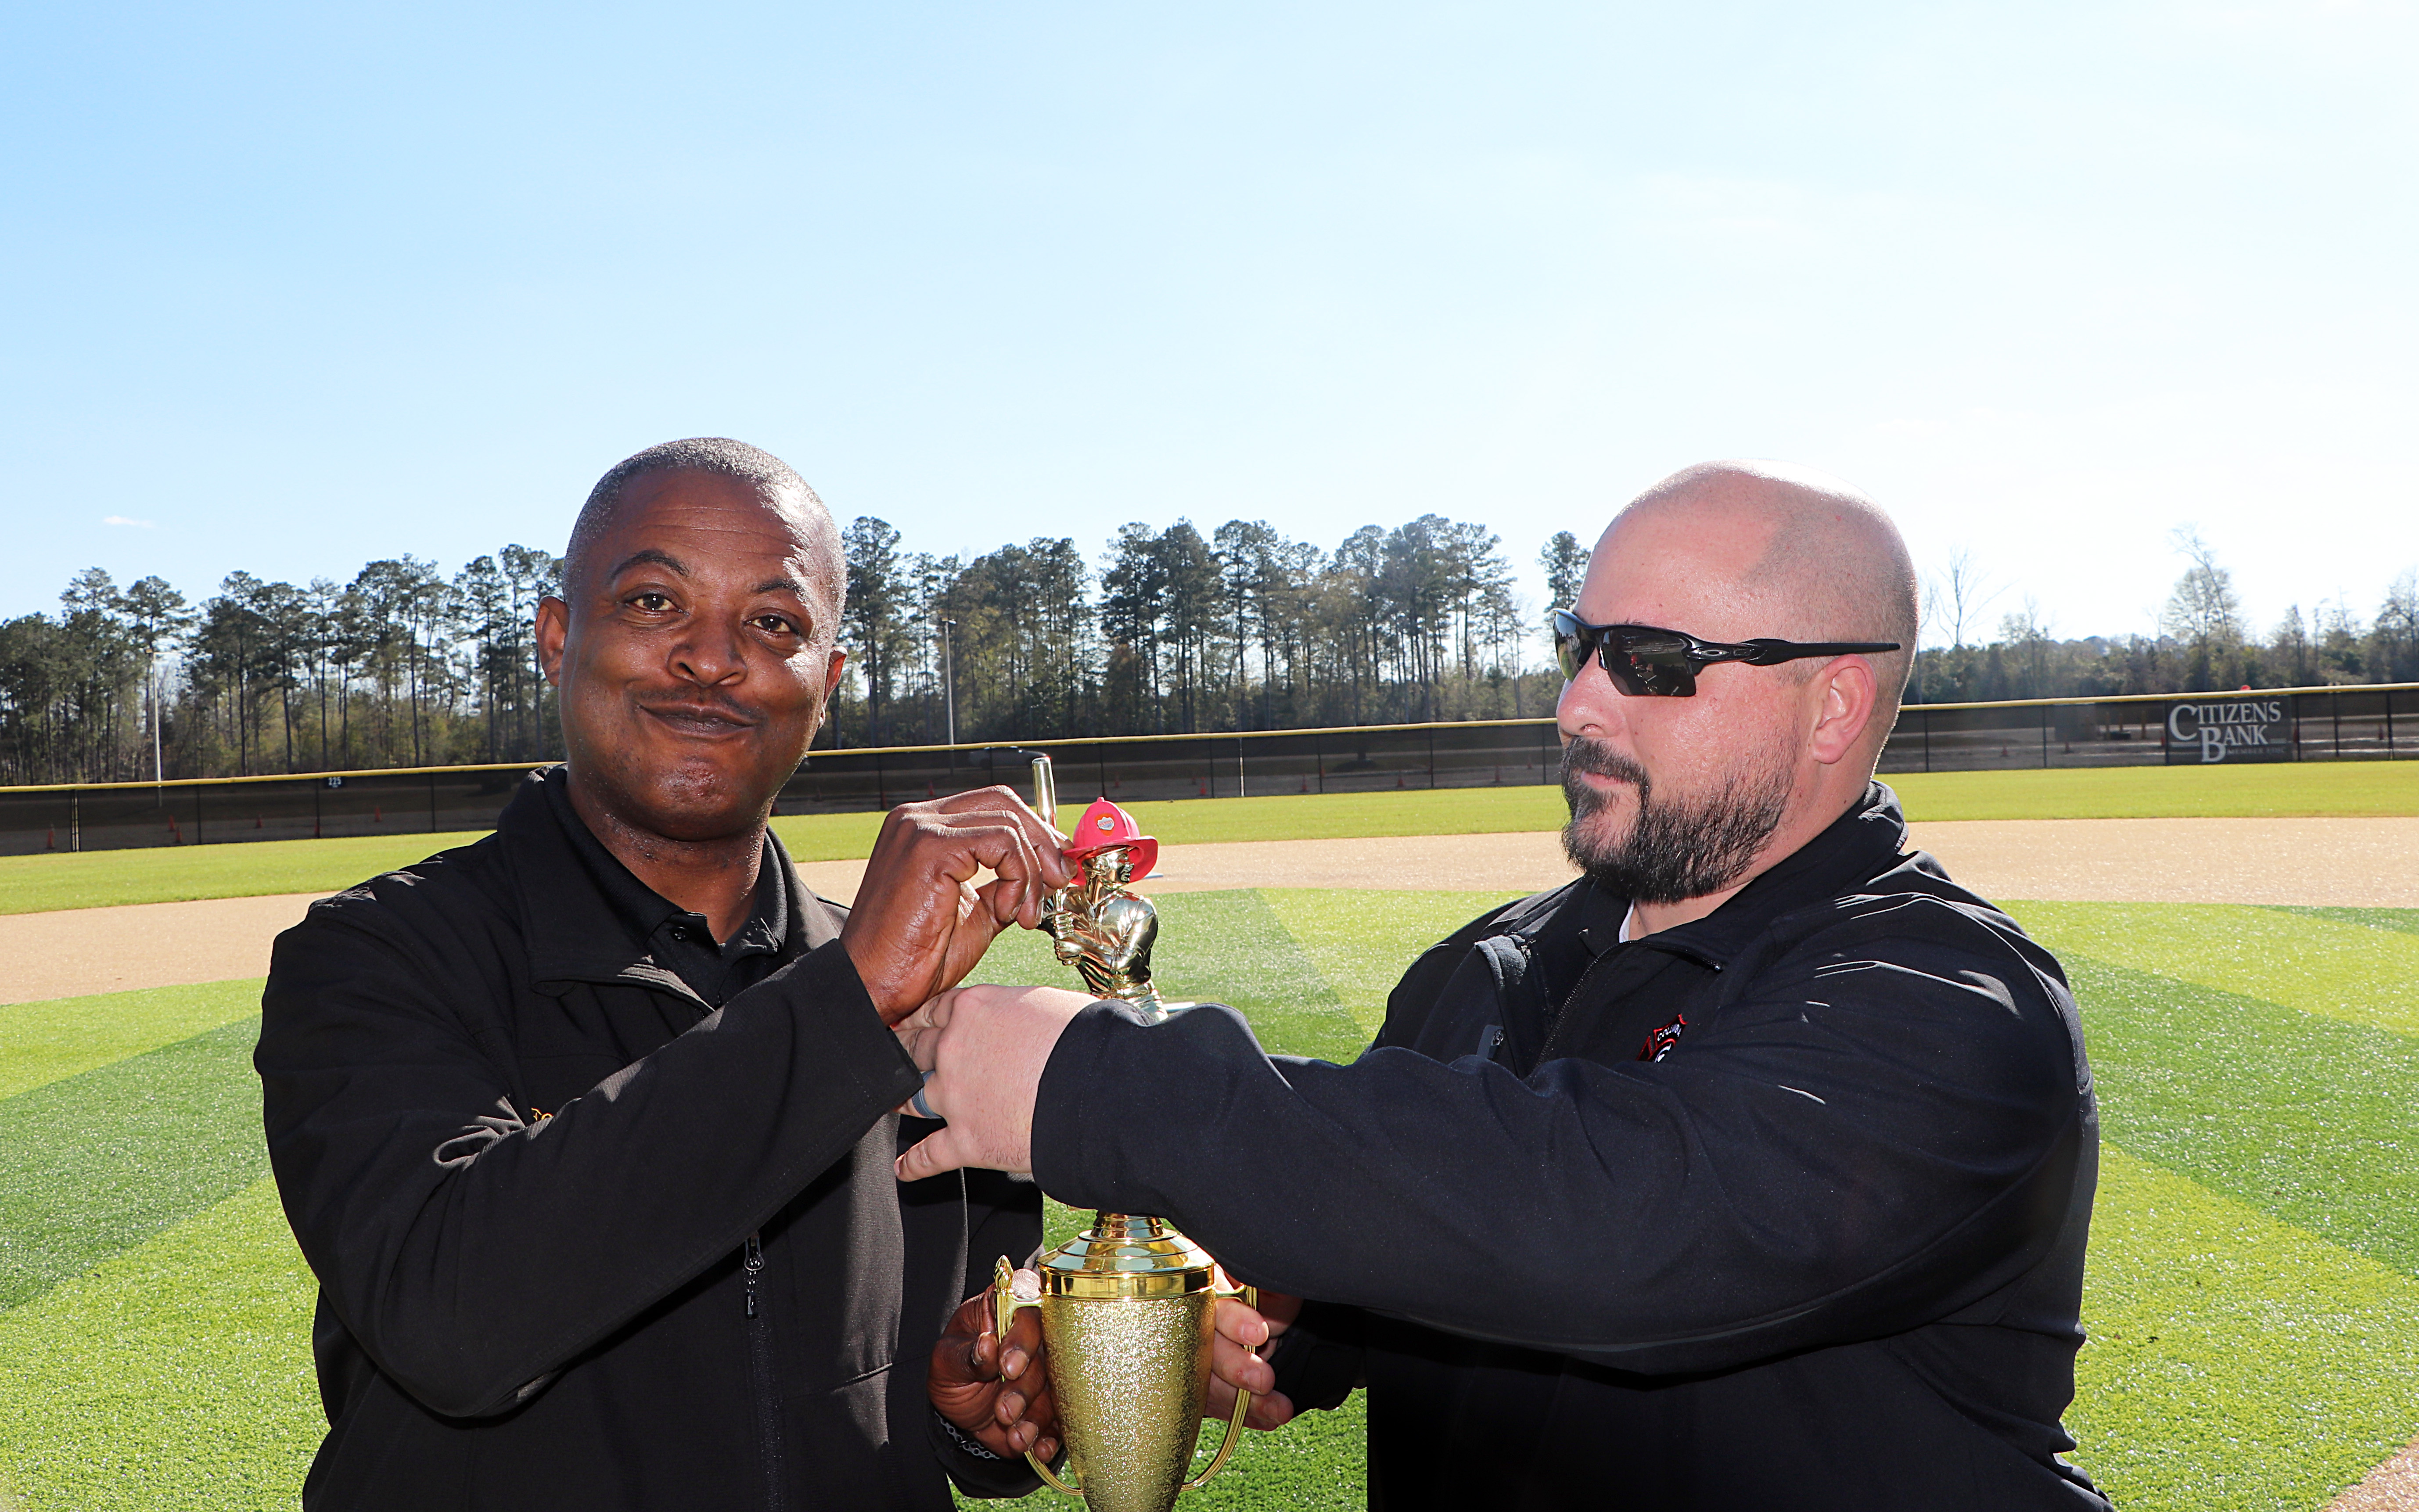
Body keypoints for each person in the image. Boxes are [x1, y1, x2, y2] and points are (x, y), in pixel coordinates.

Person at [893, 462, 2111, 1509]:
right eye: (1579, 646)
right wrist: (1183, 1334)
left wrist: (1101, 1085)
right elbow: (1398, 1261)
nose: (1577, 703)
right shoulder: (1483, 970)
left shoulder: (1954, 1003)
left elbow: (1616, 1224)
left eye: (1650, 661)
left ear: (1831, 704)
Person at [256, 438, 1077, 1511]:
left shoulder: (911, 994)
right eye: (653, 602)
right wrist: (846, 1002)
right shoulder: (376, 955)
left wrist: (972, 1408)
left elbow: (947, 1367)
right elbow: (451, 1317)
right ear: (557, 637)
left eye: (773, 623)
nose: (711, 658)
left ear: (827, 682)